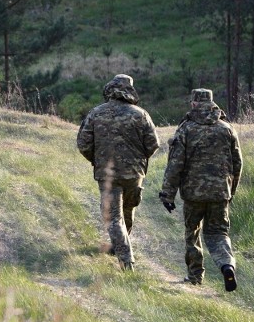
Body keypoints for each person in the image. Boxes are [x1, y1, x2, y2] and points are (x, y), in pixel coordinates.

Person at [159, 88, 242, 291]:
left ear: (194, 104)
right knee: (218, 233)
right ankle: (227, 265)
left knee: (192, 233)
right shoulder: (227, 129)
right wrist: (231, 190)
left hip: (193, 194)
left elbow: (175, 165)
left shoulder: (186, 129)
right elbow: (238, 163)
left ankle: (195, 275)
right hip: (220, 192)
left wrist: (168, 194)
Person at [77, 74, 160, 271]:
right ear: (130, 90)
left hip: (108, 174)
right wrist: (138, 160)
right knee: (128, 210)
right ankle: (121, 246)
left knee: (113, 217)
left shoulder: (96, 113)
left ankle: (126, 259)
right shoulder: (140, 114)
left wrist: (96, 160)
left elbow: (83, 144)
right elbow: (153, 144)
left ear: (110, 89)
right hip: (134, 174)